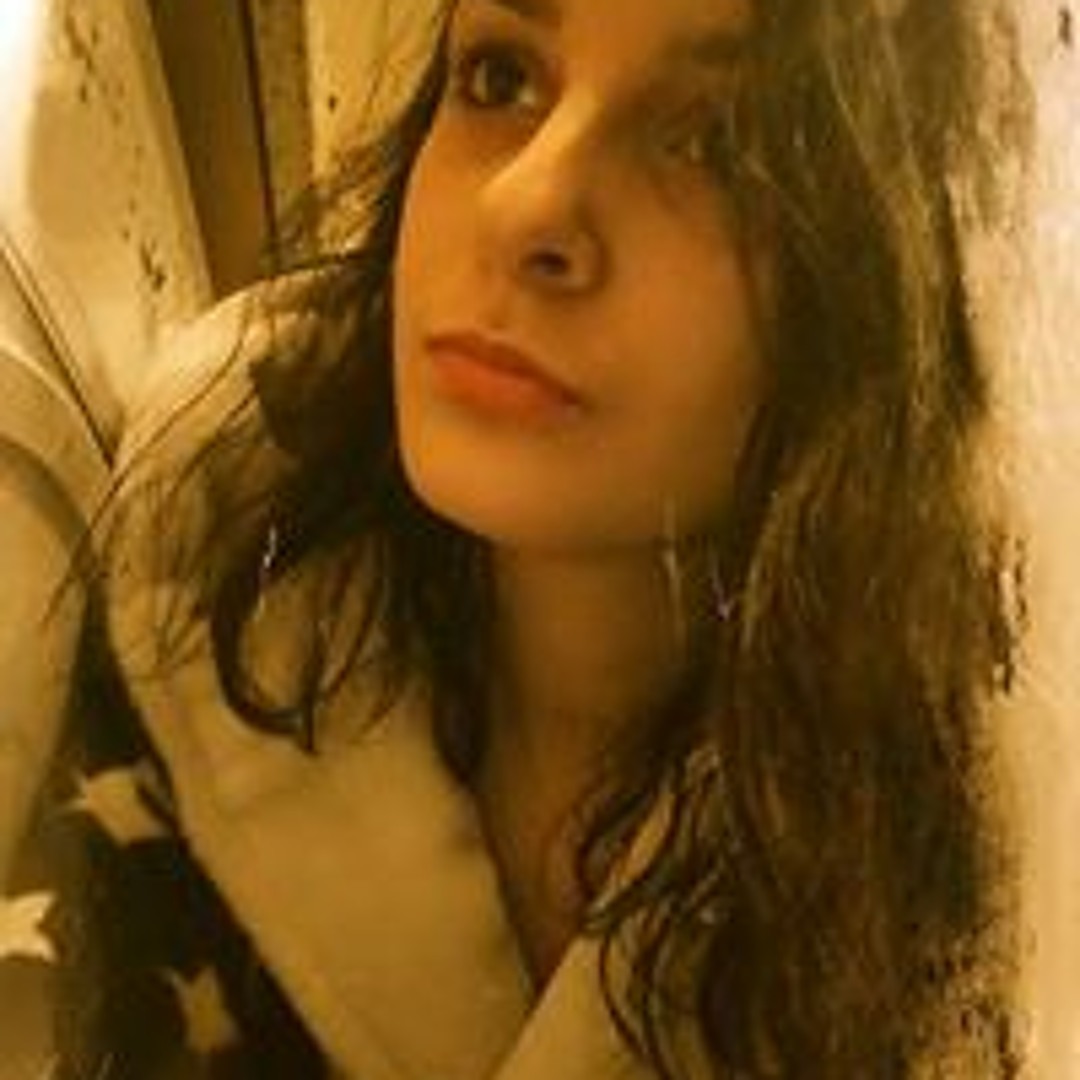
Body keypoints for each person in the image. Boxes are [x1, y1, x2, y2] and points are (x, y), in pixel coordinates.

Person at [8, 0, 1029, 1076]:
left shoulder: (989, 892)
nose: (522, 205)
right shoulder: (186, 591)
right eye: (499, 78)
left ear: (919, 272)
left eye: (720, 143)